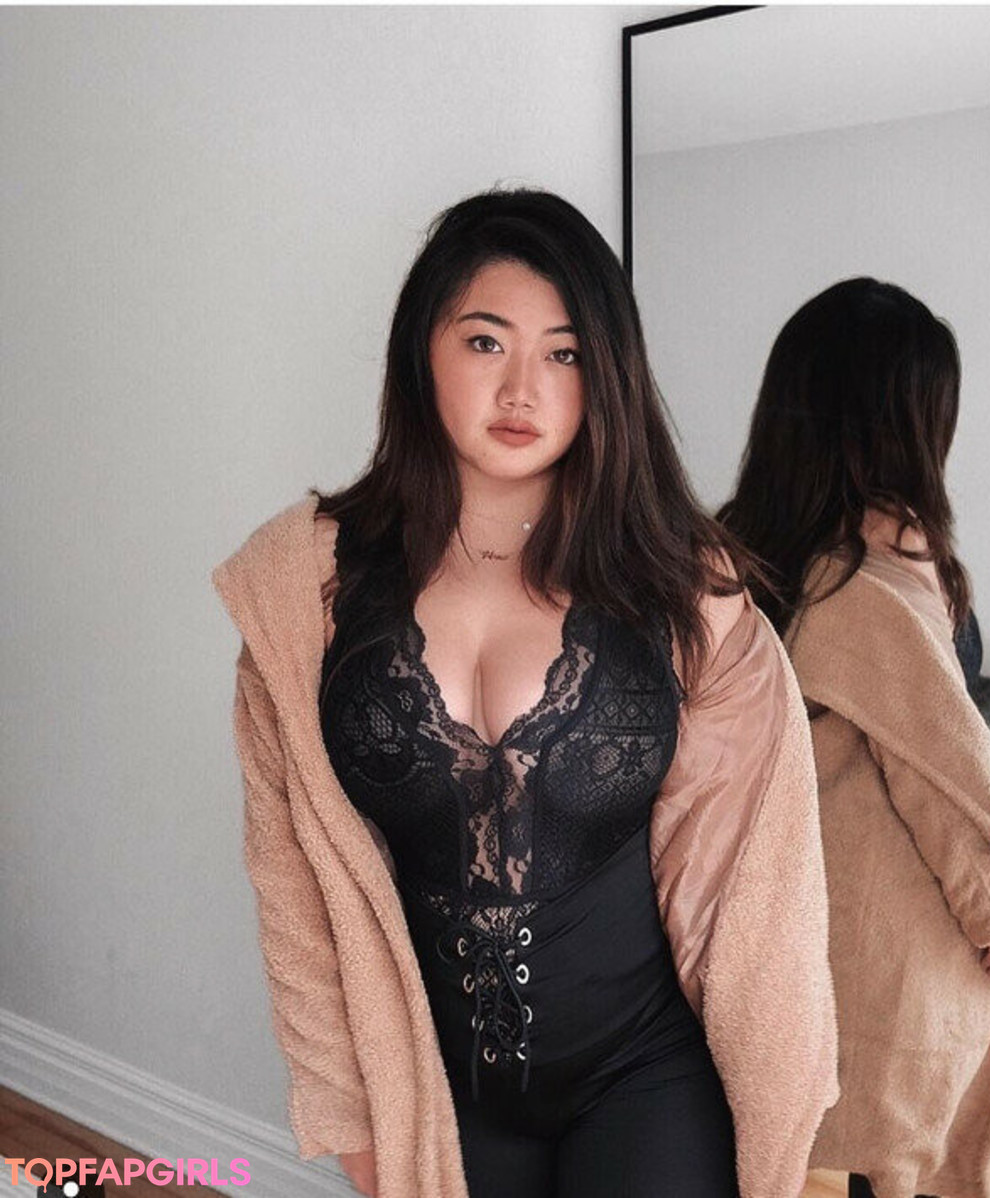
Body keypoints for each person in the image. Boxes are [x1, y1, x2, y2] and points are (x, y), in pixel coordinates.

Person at [211, 189, 838, 1198]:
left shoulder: (686, 590)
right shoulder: (302, 589)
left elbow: (762, 887)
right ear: (422, 351)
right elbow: (289, 876)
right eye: (486, 341)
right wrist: (349, 1111)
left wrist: (781, 1104)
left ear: (607, 374)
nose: (523, 388)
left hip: (648, 1074)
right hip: (435, 1085)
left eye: (565, 353)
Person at [716, 277, 990, 1198]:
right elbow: (939, 763)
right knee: (891, 1155)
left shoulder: (735, 559)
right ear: (902, 428)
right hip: (872, 938)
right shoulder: (872, 584)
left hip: (763, 925)